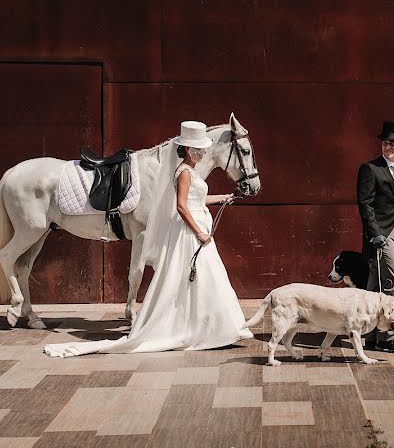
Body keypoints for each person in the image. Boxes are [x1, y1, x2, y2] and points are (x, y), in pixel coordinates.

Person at [44, 120, 253, 357]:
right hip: (191, 231)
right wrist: (199, 232)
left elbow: (196, 199)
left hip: (196, 228)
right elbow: (182, 207)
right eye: (200, 150)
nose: (204, 153)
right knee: (201, 275)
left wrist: (222, 197)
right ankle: (209, 327)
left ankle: (210, 326)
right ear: (191, 150)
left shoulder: (189, 172)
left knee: (204, 276)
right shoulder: (184, 173)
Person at [356, 121, 394, 353]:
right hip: (380, 234)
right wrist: (375, 233)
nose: (388, 147)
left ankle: (368, 336)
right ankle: (386, 336)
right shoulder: (370, 169)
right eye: (385, 142)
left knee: (374, 283)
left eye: (393, 143)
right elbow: (365, 204)